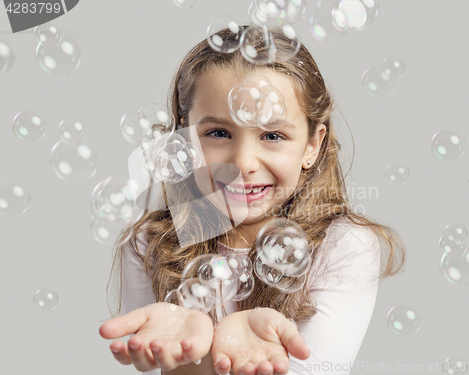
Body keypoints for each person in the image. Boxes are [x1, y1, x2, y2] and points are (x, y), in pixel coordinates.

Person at [99, 25, 406, 375]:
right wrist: (189, 360)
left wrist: (212, 355)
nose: (243, 163)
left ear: (312, 145)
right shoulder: (148, 245)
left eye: (272, 135)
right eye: (218, 133)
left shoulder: (344, 245)